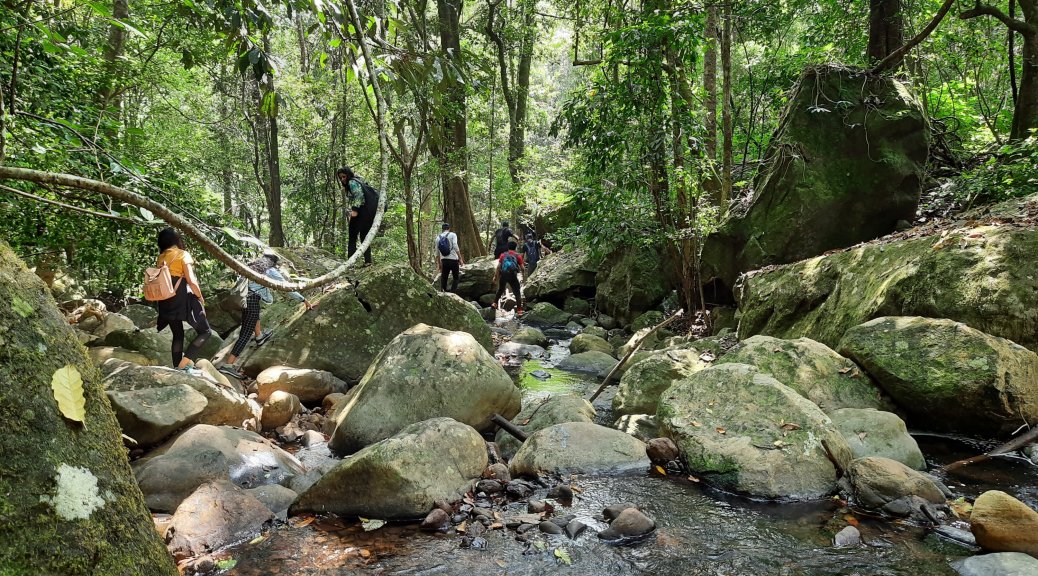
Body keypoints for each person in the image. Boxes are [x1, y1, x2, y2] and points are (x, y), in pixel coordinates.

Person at [220, 251, 312, 379]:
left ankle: (259, 337)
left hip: (243, 300)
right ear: (273, 262)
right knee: (245, 334)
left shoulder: (252, 267)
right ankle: (228, 366)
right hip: (251, 301)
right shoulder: (269, 271)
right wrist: (303, 300)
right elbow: (285, 287)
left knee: (254, 317)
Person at [154, 228, 211, 376]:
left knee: (178, 334)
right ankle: (182, 366)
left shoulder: (161, 257)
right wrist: (199, 296)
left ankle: (177, 367)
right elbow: (191, 280)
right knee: (205, 332)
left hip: (166, 299)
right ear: (176, 239)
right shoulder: (182, 254)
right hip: (181, 298)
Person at [337, 166, 376, 265]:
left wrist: (354, 211)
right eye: (341, 178)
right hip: (368, 214)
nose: (342, 179)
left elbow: (358, 195)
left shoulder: (352, 182)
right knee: (364, 237)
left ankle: (350, 263)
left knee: (352, 237)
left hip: (360, 213)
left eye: (344, 177)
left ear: (348, 175)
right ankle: (368, 261)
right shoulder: (359, 180)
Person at [493, 241, 525, 315]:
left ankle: (494, 303)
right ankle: (519, 310)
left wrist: (495, 276)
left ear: (508, 247)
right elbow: (523, 268)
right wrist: (523, 277)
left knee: (501, 289)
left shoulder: (503, 255)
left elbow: (498, 267)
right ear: (515, 247)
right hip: (513, 276)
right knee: (517, 292)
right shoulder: (518, 256)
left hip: (503, 275)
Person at [436, 222, 464, 293]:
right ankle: (452, 293)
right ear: (449, 228)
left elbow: (437, 252)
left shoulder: (438, 238)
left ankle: (444, 291)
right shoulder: (453, 235)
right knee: (456, 277)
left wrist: (439, 264)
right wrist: (460, 258)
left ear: (442, 229)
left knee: (444, 277)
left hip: (444, 260)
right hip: (453, 259)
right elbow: (455, 245)